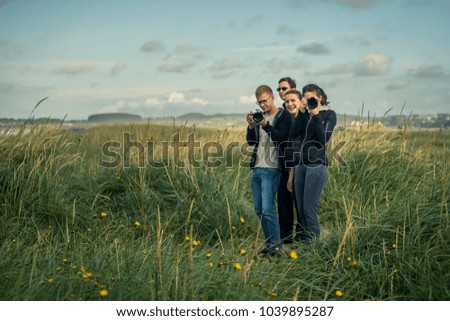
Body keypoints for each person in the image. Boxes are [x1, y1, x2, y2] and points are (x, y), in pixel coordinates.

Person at [246, 85, 293, 256]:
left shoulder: (284, 116)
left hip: (273, 168)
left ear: (272, 97)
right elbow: (251, 142)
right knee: (259, 209)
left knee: (268, 208)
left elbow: (282, 139)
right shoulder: (260, 117)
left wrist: (266, 126)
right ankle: (271, 244)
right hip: (257, 167)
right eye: (259, 103)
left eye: (265, 101)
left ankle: (276, 247)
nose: (263, 105)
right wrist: (252, 126)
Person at [286, 84, 336, 241]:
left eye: (311, 99)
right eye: (305, 99)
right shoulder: (304, 116)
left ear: (319, 98)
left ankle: (314, 247)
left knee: (309, 208)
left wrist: (315, 116)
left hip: (316, 165)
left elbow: (323, 139)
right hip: (300, 165)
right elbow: (294, 134)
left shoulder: (329, 115)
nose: (308, 102)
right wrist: (302, 113)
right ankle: (307, 244)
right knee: (300, 209)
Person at [275, 77, 297, 244]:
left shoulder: (298, 112)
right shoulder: (280, 113)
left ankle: (304, 236)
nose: (281, 92)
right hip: (281, 161)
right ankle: (286, 236)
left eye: (284, 88)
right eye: (279, 90)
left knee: (300, 201)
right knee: (283, 200)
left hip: (298, 161)